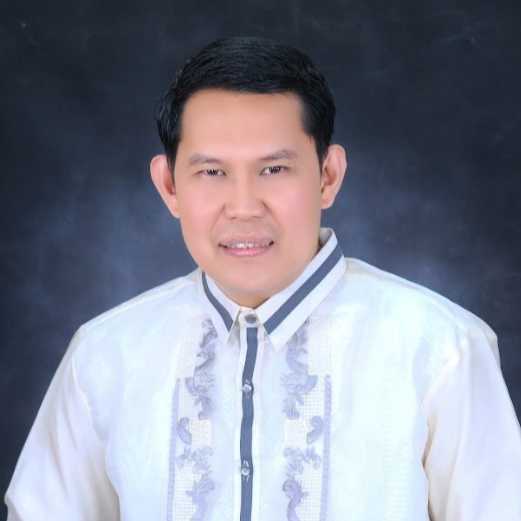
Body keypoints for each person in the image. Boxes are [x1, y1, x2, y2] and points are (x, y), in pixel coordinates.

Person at [4, 36, 521, 521]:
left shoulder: (441, 349)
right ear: (169, 185)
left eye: (273, 169)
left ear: (328, 176)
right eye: (212, 172)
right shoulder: (104, 356)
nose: (244, 207)